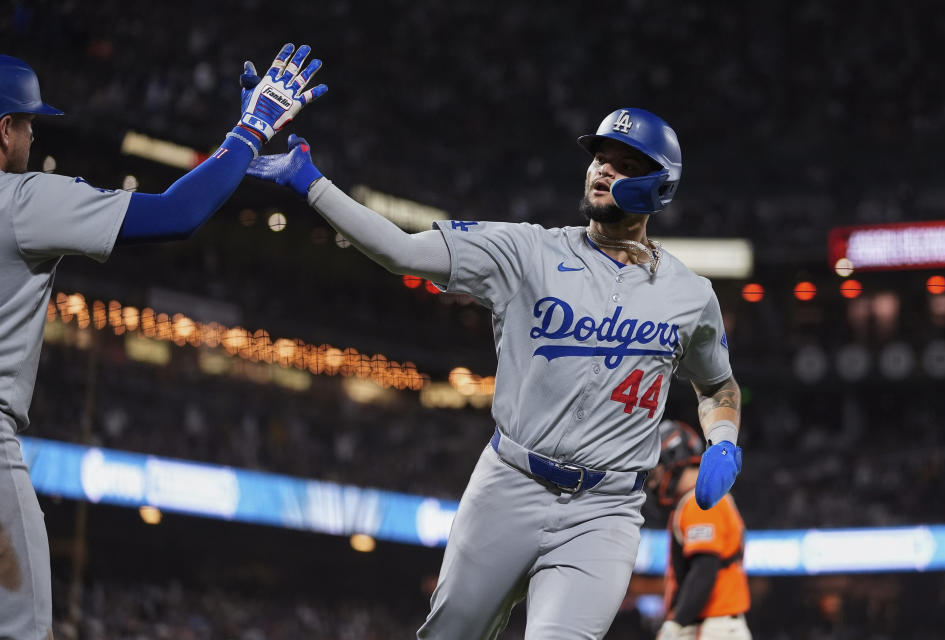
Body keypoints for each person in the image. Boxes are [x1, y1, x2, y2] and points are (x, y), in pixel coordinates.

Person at [246, 105, 744, 638]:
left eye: (624, 164)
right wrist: (311, 183)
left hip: (606, 510)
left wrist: (722, 438)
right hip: (509, 486)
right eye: (600, 157)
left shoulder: (690, 296)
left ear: (660, 187)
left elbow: (717, 383)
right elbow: (401, 252)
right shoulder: (527, 250)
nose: (603, 170)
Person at [0, 45, 326, 639]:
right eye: (26, 123)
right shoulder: (20, 200)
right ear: (4, 130)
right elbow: (177, 213)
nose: (30, 137)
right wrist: (248, 133)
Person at [647, 419, 751, 640]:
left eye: (655, 470)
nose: (652, 482)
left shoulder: (700, 501)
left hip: (712, 627)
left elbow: (704, 571)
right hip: (713, 625)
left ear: (672, 460)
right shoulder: (697, 500)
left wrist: (676, 625)